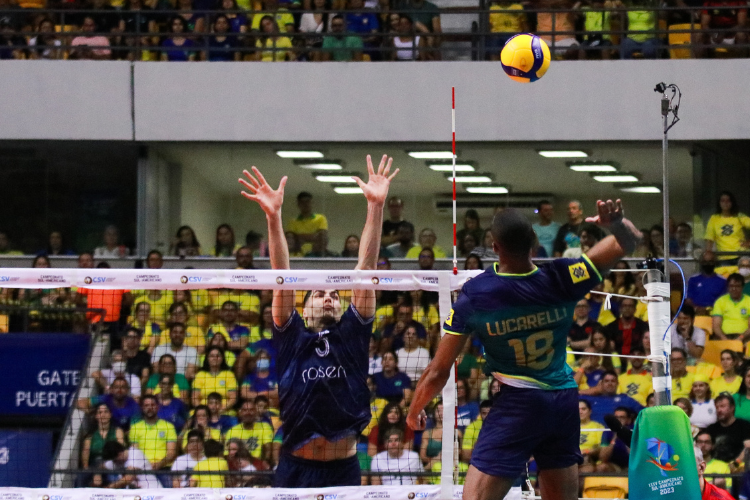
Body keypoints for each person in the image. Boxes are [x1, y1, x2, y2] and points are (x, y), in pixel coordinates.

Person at [407, 199, 641, 500]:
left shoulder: (477, 295)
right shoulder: (564, 276)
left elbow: (438, 371)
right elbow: (629, 240)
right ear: (534, 244)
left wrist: (414, 411)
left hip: (519, 403)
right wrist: (616, 223)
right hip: (563, 401)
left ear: (494, 246)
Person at [238, 155, 398, 487]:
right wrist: (274, 216)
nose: (329, 297)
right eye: (319, 295)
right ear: (304, 308)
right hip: (296, 467)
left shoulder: (352, 333)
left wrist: (375, 207)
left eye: (334, 296)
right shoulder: (291, 333)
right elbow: (282, 275)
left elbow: (365, 268)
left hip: (343, 470)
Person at [128, 395, 177, 485]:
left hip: (163, 468)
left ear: (157, 407)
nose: (149, 408)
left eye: (152, 405)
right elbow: (134, 453)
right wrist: (146, 465)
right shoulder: (135, 428)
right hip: (142, 469)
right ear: (142, 408)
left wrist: (159, 464)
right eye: (146, 405)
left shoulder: (168, 426)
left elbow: (171, 453)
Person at [705, 191, 750, 272]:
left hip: (741, 256)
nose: (725, 203)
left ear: (732, 202)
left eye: (728, 200)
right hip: (723, 257)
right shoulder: (714, 219)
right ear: (719, 203)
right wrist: (709, 255)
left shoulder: (739, 216)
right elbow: (709, 238)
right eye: (722, 201)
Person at [223, 399, 274, 465]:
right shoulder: (232, 431)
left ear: (255, 412)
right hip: (237, 465)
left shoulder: (265, 426)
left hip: (257, 465)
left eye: (251, 410)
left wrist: (265, 461)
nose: (248, 413)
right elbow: (227, 454)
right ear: (240, 413)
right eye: (245, 410)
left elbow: (268, 448)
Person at [706, 394, 750, 467]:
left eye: (722, 406)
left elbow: (748, 447)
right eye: (717, 407)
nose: (719, 410)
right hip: (715, 469)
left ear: (732, 408)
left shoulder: (744, 426)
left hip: (739, 468)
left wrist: (736, 463)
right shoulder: (711, 428)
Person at [81, 403, 126, 472]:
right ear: (96, 416)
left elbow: (121, 448)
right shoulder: (90, 436)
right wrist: (86, 468)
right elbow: (86, 452)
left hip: (113, 463)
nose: (103, 415)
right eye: (100, 412)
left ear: (110, 414)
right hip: (96, 464)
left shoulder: (118, 431)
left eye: (106, 412)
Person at [286, 191, 328, 255]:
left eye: (308, 201)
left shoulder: (321, 218)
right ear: (298, 204)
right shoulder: (293, 222)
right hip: (298, 256)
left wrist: (300, 237)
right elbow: (292, 240)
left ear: (312, 203)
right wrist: (314, 236)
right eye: (302, 202)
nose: (306, 204)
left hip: (316, 256)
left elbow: (322, 238)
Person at [712, 273, 750, 340]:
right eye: (731, 286)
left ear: (742, 287)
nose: (734, 289)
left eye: (737, 286)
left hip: (745, 337)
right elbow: (716, 326)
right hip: (724, 337)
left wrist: (741, 338)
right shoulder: (720, 301)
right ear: (727, 287)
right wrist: (724, 338)